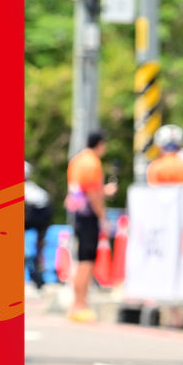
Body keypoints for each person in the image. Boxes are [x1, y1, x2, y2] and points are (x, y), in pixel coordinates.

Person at [65, 130, 115, 322]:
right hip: (88, 216)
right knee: (87, 261)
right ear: (100, 144)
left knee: (81, 260)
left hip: (78, 215)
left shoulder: (77, 160)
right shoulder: (92, 163)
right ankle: (80, 305)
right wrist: (103, 216)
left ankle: (76, 305)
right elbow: (93, 194)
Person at [24, 161, 54, 289]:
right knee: (38, 247)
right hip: (43, 217)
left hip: (37, 217)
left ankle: (36, 273)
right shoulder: (33, 188)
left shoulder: (26, 189)